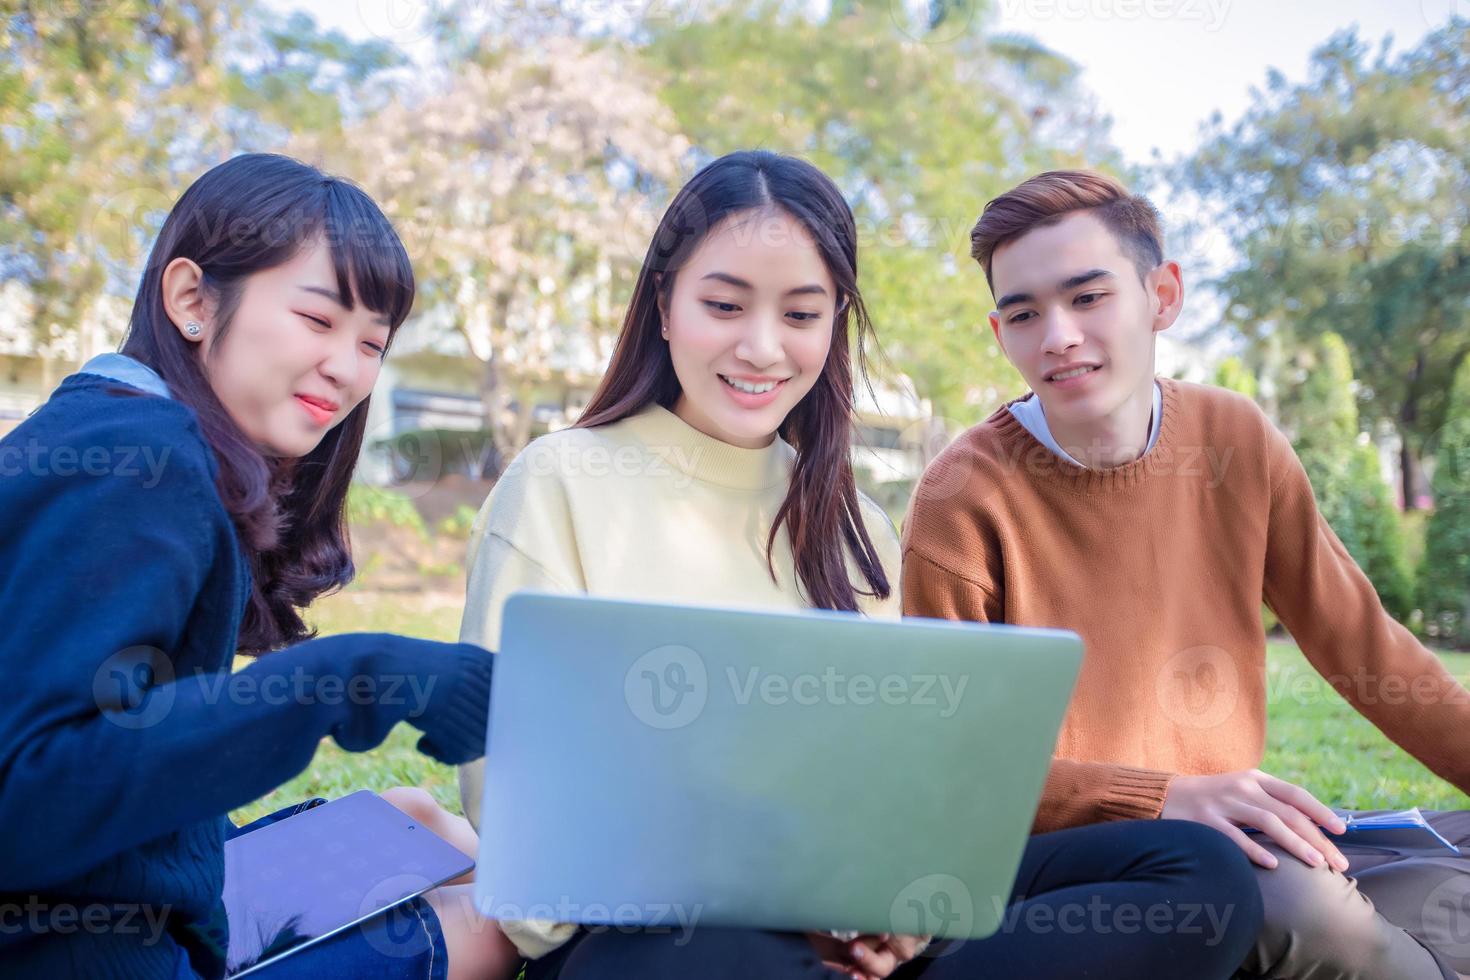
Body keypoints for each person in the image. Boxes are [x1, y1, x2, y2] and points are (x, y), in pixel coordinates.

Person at [456, 150, 1263, 980]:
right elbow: (511, 794)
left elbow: (899, 790)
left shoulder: (856, 527)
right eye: (724, 305)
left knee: (1196, 877)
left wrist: (897, 916)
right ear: (664, 306)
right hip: (655, 935)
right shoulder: (560, 481)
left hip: (840, 919)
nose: (762, 348)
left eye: (802, 315)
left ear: (834, 323)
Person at [901, 168, 1470, 980]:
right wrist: (1157, 797)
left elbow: (1365, 648)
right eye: (1024, 313)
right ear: (1001, 334)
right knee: (1301, 906)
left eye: (1087, 297)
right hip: (1093, 868)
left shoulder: (1234, 437)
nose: (1056, 334)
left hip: (1238, 829)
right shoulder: (962, 498)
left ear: (1161, 296)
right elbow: (949, 764)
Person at [0, 153, 518, 979]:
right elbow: (28, 800)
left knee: (421, 818)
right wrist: (353, 680)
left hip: (153, 897)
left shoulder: (112, 431)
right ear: (193, 300)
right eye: (318, 321)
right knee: (495, 928)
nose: (348, 371)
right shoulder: (137, 462)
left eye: (372, 344)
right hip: (83, 952)